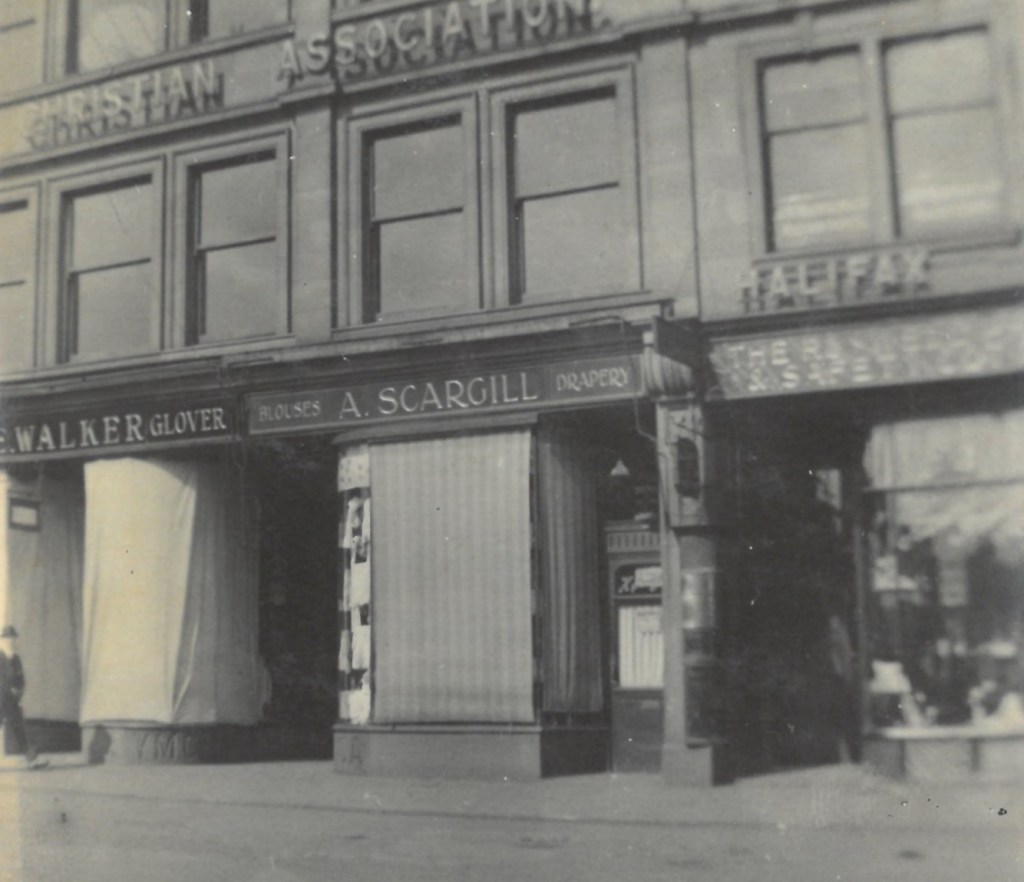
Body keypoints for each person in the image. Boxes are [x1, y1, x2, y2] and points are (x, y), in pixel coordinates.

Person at [0, 626, 47, 769]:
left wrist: (19, 692)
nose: (11, 641)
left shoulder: (16, 659)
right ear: (2, 640)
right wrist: (8, 690)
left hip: (12, 701)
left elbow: (21, 680)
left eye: (13, 638)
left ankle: (32, 761)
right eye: (7, 638)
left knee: (19, 729)